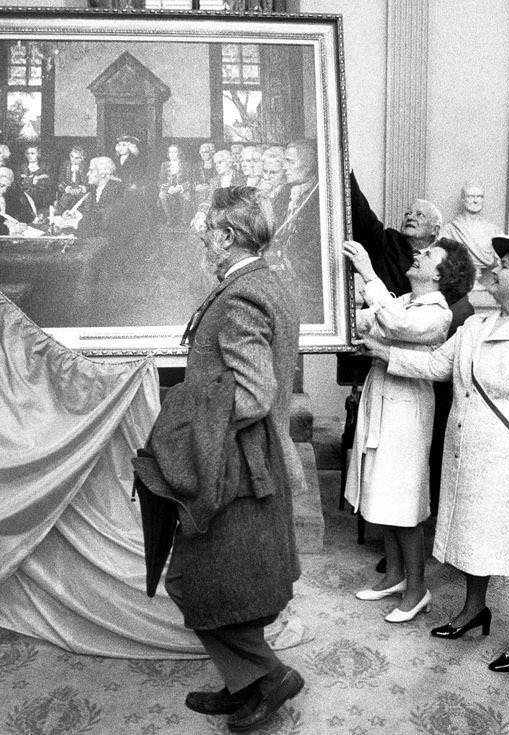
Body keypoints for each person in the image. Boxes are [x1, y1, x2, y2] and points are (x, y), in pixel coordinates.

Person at [358, 234, 509, 672]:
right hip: (469, 454)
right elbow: (437, 366)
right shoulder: (476, 326)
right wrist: (384, 352)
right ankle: (473, 609)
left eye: (504, 265)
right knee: (472, 533)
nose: (493, 269)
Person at [137, 186, 303, 731]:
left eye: (207, 230)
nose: (203, 238)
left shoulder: (240, 297)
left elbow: (253, 393)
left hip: (234, 465)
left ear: (228, 236)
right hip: (248, 461)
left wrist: (184, 416)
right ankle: (244, 683)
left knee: (200, 581)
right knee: (232, 580)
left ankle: (269, 676)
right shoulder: (265, 282)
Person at [343, 238, 475, 622]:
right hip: (383, 398)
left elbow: (397, 325)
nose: (418, 254)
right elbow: (371, 320)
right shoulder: (404, 300)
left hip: (407, 409)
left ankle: (417, 590)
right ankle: (395, 577)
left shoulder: (438, 313)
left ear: (440, 275)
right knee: (382, 492)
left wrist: (368, 272)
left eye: (428, 255)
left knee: (403, 501)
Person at [349, 171, 443, 297]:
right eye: (407, 214)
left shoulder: (440, 259)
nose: (410, 217)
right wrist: (347, 173)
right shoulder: (389, 241)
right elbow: (364, 215)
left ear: (435, 230)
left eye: (419, 215)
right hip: (376, 308)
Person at [267, 140, 322, 322]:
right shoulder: (284, 193)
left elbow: (313, 252)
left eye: (290, 161)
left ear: (309, 165)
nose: (284, 167)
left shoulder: (319, 198)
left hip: (304, 284)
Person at [441, 183, 500, 283]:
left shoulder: (493, 230)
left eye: (480, 197)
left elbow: (499, 258)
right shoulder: (450, 230)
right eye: (471, 196)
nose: (476, 201)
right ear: (463, 200)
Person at [190, 150, 243, 232]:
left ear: (229, 163)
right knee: (196, 226)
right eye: (215, 164)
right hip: (217, 214)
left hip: (235, 216)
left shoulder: (241, 178)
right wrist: (201, 214)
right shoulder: (214, 181)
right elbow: (209, 200)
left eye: (220, 162)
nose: (217, 166)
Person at [78, 156, 126, 237]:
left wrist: (77, 221)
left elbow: (105, 220)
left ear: (103, 174)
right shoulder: (94, 189)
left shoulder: (116, 189)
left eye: (91, 171)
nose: (87, 174)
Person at [157, 144, 194, 228]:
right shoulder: (164, 165)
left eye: (174, 152)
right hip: (169, 189)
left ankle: (184, 220)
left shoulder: (186, 164)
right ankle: (170, 219)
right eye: (170, 152)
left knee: (187, 196)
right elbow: (160, 181)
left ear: (179, 153)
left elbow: (190, 180)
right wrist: (168, 188)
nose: (172, 154)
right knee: (162, 195)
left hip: (182, 189)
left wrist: (180, 187)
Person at [17, 145, 53, 216]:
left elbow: (49, 183)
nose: (29, 156)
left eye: (32, 153)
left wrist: (37, 182)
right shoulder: (22, 167)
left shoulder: (45, 166)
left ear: (38, 154)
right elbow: (19, 183)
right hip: (25, 198)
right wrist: (30, 182)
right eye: (28, 153)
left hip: (42, 198)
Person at [55, 146, 88, 212]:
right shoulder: (65, 165)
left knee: (84, 203)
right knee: (64, 201)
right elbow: (60, 181)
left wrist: (81, 188)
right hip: (67, 193)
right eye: (72, 156)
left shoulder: (86, 167)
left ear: (82, 158)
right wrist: (66, 188)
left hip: (81, 193)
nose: (73, 160)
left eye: (77, 158)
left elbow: (88, 182)